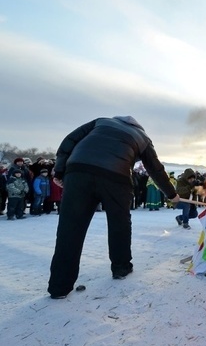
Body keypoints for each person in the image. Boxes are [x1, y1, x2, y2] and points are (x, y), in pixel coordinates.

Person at [47, 116, 180, 299]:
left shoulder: (101, 122)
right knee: (119, 223)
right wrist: (171, 194)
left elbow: (69, 140)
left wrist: (60, 169)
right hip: (116, 177)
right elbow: (155, 169)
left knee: (70, 227)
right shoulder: (142, 138)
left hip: (79, 171)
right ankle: (121, 267)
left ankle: (59, 286)